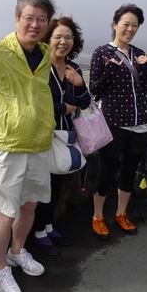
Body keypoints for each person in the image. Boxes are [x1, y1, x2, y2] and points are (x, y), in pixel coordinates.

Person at [0, 0, 56, 292]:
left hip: (38, 143)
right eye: (29, 18)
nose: (35, 24)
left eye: (41, 20)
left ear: (47, 24)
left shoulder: (44, 54)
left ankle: (19, 251)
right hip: (4, 146)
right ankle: (0, 267)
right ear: (18, 18)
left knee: (29, 204)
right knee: (5, 213)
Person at [89, 3, 147, 239]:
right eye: (125, 24)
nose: (130, 29)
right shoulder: (102, 52)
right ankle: (97, 216)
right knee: (106, 172)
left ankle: (121, 213)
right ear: (115, 24)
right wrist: (109, 71)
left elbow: (145, 88)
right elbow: (94, 89)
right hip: (114, 122)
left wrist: (144, 68)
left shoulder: (139, 53)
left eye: (135, 25)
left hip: (140, 123)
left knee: (129, 171)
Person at [32, 16, 91, 256]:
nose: (63, 42)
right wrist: (62, 108)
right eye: (58, 37)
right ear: (48, 39)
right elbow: (35, 103)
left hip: (66, 136)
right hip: (44, 136)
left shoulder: (74, 68)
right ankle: (38, 232)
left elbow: (85, 103)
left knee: (58, 184)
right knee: (44, 187)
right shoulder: (39, 68)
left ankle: (48, 227)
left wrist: (79, 84)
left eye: (68, 37)